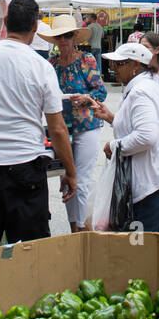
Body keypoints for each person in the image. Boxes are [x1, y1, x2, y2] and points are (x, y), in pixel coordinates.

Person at [0, 0, 78, 255]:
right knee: (30, 255)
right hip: (26, 170)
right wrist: (70, 171)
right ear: (35, 28)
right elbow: (56, 128)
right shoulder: (41, 67)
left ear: (6, 22)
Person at [91, 42, 159, 234]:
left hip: (152, 177)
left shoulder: (141, 91)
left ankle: (141, 264)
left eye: (119, 64)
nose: (113, 69)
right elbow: (141, 126)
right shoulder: (146, 85)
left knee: (141, 241)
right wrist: (110, 117)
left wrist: (114, 145)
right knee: (155, 237)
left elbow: (146, 136)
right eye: (112, 65)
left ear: (135, 65)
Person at [42, 16, 108, 233]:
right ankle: (75, 229)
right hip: (62, 128)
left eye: (67, 35)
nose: (63, 40)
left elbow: (101, 91)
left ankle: (82, 228)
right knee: (66, 179)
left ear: (74, 38)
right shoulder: (50, 64)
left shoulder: (86, 60)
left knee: (82, 180)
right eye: (59, 36)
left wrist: (85, 97)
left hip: (86, 126)